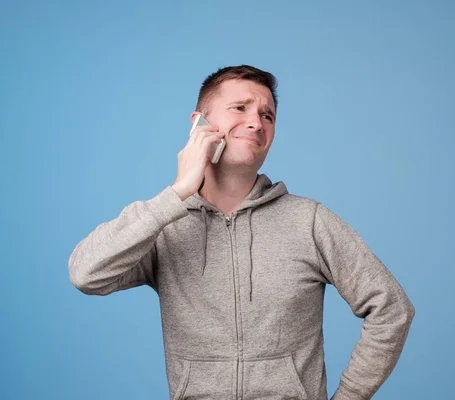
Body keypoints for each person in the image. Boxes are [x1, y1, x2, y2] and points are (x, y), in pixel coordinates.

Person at [68, 65, 415, 400]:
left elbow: (392, 309)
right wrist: (178, 191)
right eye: (239, 108)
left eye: (267, 116)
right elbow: (87, 274)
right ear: (199, 124)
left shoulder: (309, 222)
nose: (256, 122)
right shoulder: (165, 225)